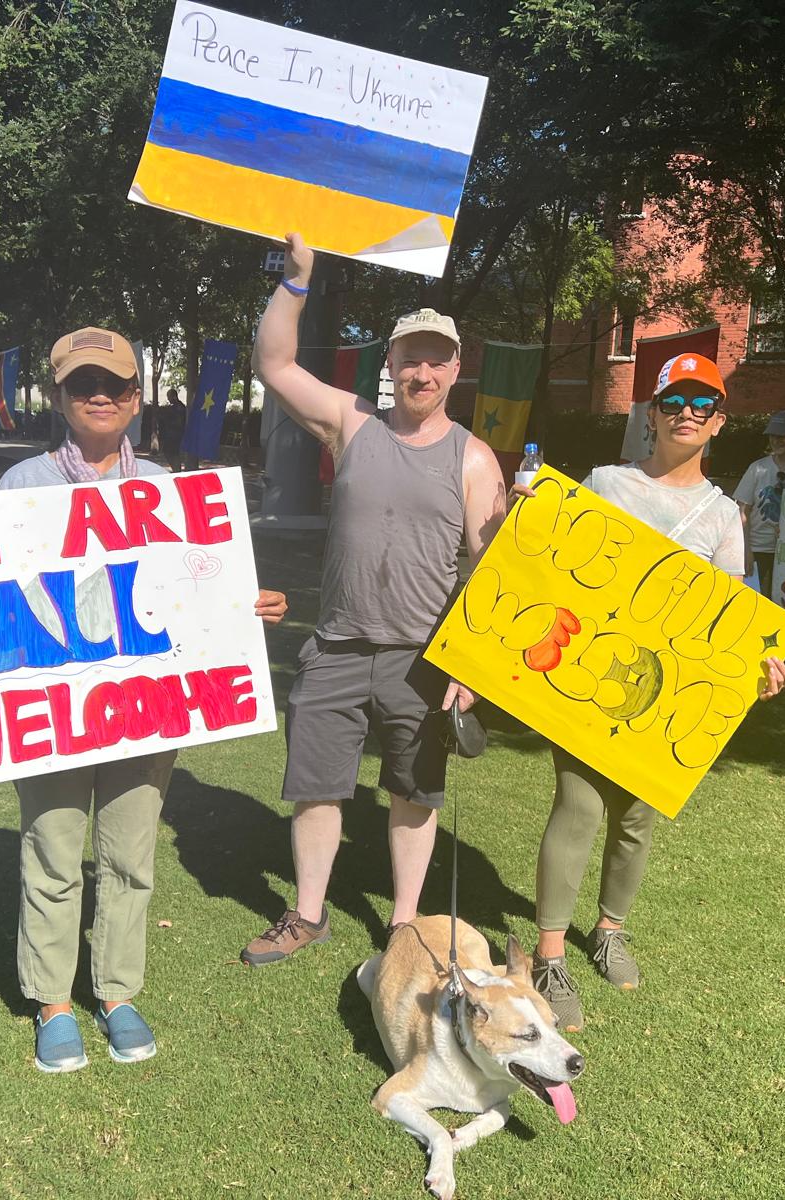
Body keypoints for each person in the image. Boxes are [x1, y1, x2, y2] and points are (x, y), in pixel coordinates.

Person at [0, 326, 290, 1073]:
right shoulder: (21, 485)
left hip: (143, 710)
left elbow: (199, 587)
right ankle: (53, 1002)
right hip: (51, 716)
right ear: (60, 395)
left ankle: (118, 993)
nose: (101, 396)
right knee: (53, 853)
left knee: (130, 857)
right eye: (84, 384)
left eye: (117, 385)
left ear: (135, 398)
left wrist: (244, 605)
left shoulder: (167, 487)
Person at [240, 232, 505, 966]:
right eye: (408, 357)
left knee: (413, 793)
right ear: (389, 363)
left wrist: (472, 664)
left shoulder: (475, 459)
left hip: (421, 657)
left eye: (435, 359)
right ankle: (308, 913)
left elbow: (492, 575)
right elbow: (275, 363)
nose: (421, 371)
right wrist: (296, 281)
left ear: (456, 368)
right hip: (336, 645)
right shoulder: (351, 422)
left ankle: (406, 924)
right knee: (316, 787)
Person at [525, 352, 785, 1032]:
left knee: (638, 815)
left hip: (666, 692)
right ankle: (549, 954)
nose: (686, 415)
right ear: (652, 414)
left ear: (720, 422)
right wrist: (531, 515)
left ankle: (610, 928)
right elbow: (555, 559)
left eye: (702, 405)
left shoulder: (723, 514)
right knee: (578, 804)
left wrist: (760, 658)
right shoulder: (607, 482)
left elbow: (731, 607)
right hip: (588, 673)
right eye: (674, 402)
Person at [732, 410, 785, 597]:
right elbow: (742, 511)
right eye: (772, 436)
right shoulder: (757, 468)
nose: (776, 440)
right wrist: (746, 550)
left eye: (781, 435)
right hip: (759, 551)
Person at [157, 386, 188, 472]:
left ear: (173, 396)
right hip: (171, 434)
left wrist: (169, 420)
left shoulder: (179, 407)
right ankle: (175, 468)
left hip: (176, 434)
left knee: (173, 453)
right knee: (169, 452)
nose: (168, 399)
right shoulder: (173, 407)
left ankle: (176, 469)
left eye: (169, 397)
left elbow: (179, 421)